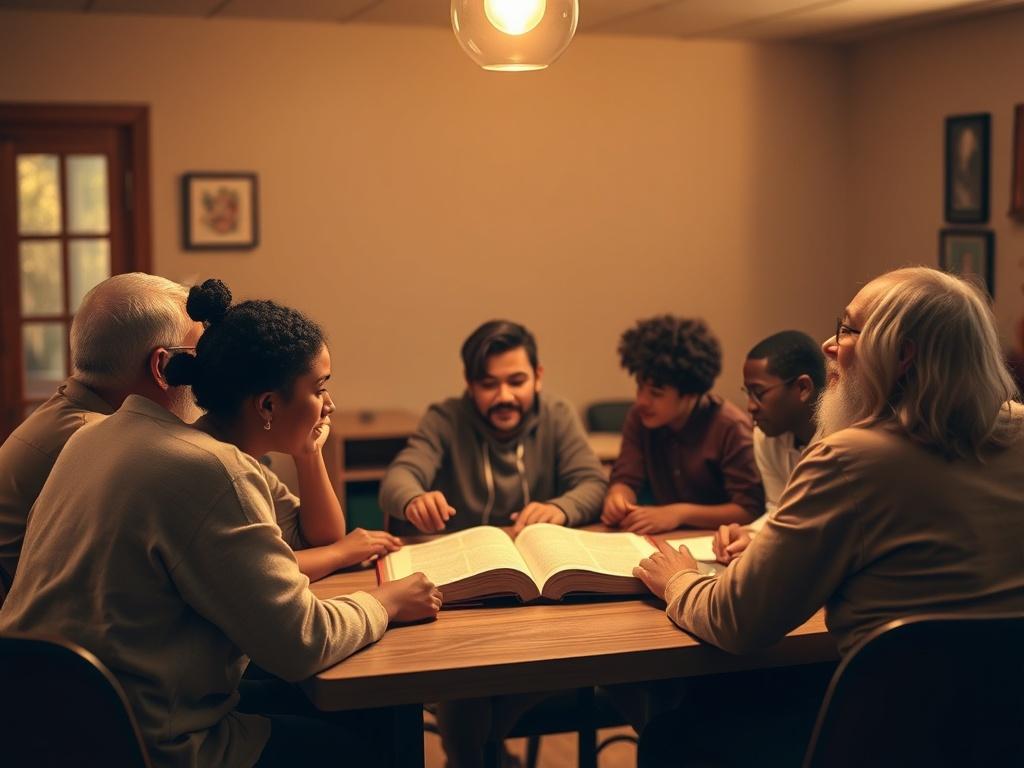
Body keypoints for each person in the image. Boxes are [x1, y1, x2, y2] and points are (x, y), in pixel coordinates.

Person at [0, 279, 441, 768]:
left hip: (48, 725)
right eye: (319, 389)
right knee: (374, 734)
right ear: (268, 405)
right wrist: (386, 600)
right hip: (143, 741)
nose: (327, 405)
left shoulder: (106, 434)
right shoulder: (209, 470)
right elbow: (302, 643)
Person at [633, 267, 1024, 767]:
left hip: (890, 739)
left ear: (901, 354)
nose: (827, 346)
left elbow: (737, 623)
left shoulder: (848, 458)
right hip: (997, 738)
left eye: (847, 330)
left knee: (677, 733)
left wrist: (680, 581)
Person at [0, 272, 202, 599]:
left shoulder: (67, 413)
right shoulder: (98, 441)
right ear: (163, 367)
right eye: (198, 356)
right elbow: (206, 570)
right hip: (37, 647)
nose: (206, 373)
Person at [379, 319, 607, 535]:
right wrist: (414, 500)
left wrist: (561, 508)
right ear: (470, 384)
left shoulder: (557, 414)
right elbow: (398, 477)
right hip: (464, 555)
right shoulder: (445, 419)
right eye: (488, 385)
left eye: (517, 382)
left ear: (538, 377)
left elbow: (593, 483)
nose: (504, 397)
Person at [601, 315, 764, 534]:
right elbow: (626, 477)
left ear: (691, 394)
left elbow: (749, 510)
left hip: (717, 544)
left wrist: (678, 514)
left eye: (656, 393)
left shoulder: (730, 427)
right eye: (640, 388)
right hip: (661, 539)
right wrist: (618, 497)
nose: (641, 401)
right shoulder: (639, 417)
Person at [713, 331, 825, 563]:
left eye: (759, 393)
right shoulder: (766, 436)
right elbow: (778, 509)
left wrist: (765, 543)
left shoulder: (842, 444)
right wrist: (749, 534)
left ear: (803, 388)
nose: (750, 407)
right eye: (748, 393)